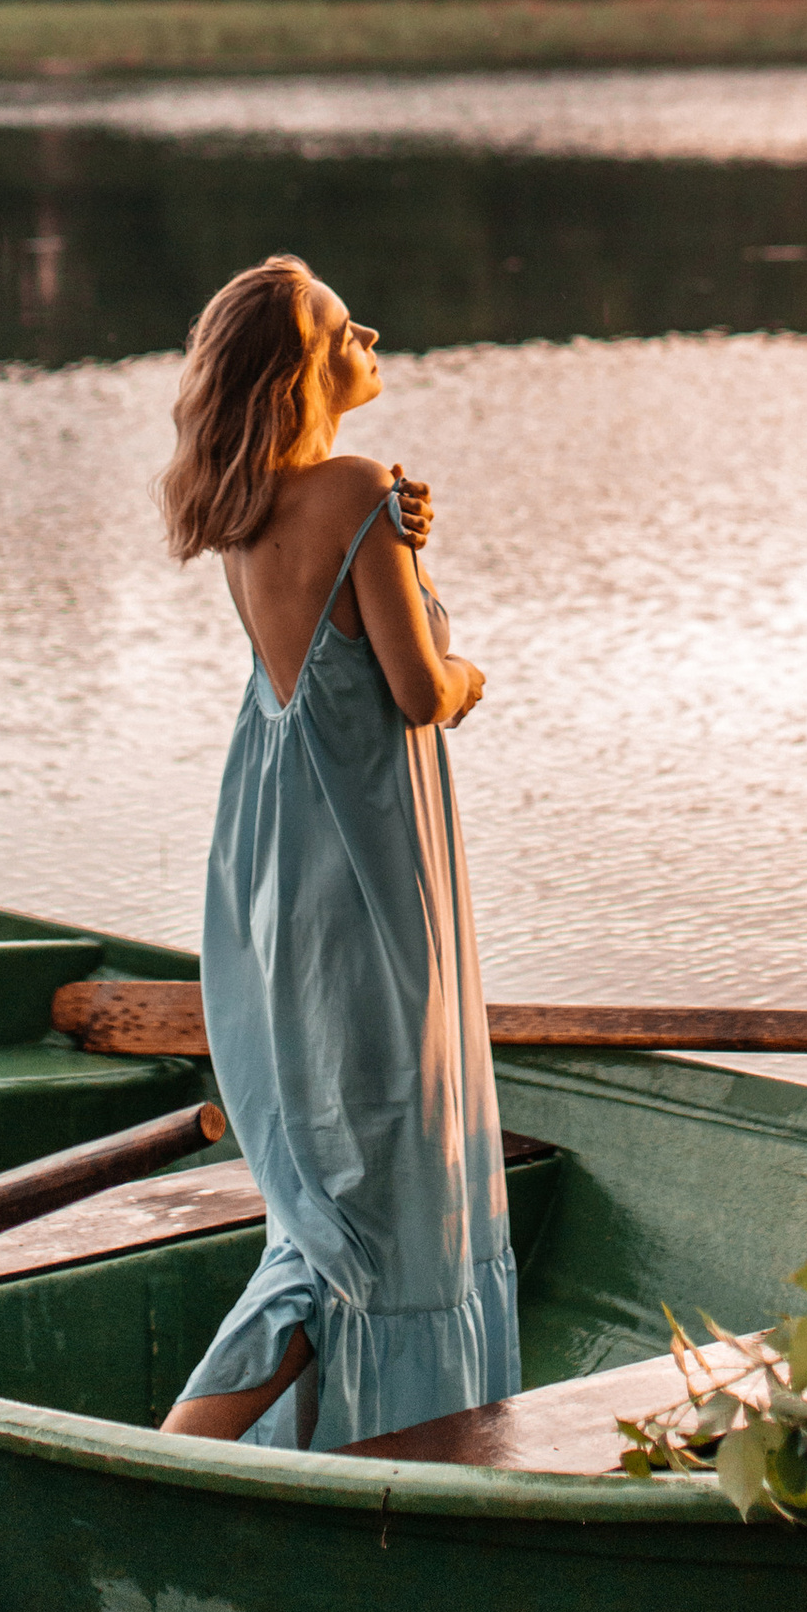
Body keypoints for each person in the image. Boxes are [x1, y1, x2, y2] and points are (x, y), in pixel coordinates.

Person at [154, 253, 518, 1450]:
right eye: (337, 323)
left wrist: (404, 541)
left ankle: (282, 1447)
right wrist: (472, 671)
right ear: (304, 372)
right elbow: (416, 692)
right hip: (371, 878)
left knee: (328, 1196)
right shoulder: (356, 485)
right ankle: (176, 1455)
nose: (368, 327)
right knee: (378, 1201)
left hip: (280, 870)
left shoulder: (244, 510)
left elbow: (343, 642)